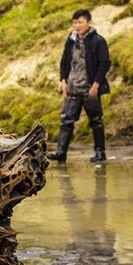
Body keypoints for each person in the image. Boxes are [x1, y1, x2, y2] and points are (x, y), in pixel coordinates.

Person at [47, 9, 111, 163]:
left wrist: (96, 84)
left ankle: (100, 153)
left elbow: (104, 63)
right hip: (73, 88)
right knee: (66, 121)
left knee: (96, 121)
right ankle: (61, 152)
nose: (77, 25)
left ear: (89, 23)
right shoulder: (70, 40)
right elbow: (64, 61)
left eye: (80, 22)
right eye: (75, 22)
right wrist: (63, 80)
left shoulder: (98, 41)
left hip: (90, 88)